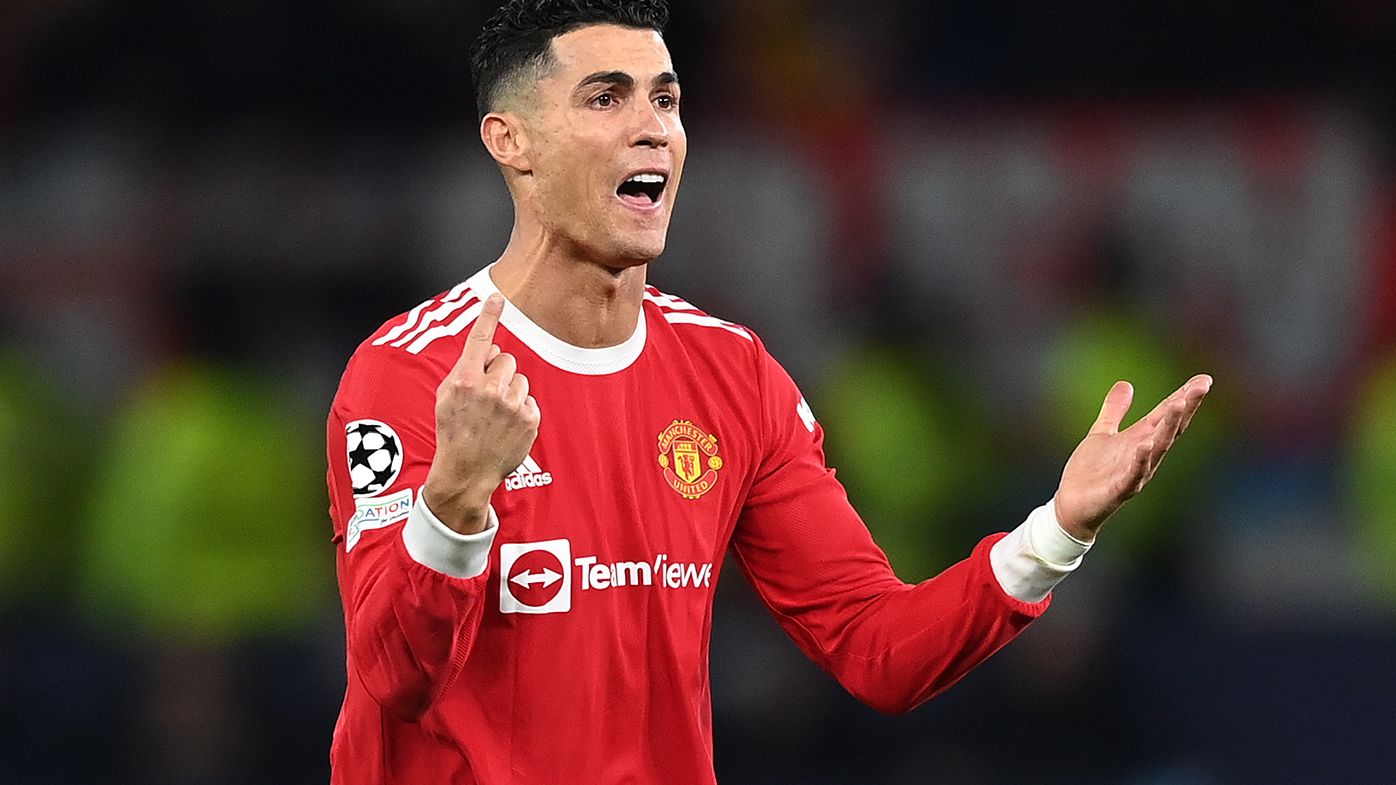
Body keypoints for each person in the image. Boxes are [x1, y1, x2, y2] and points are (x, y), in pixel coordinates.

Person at [324, 2, 1212, 782]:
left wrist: (1058, 528)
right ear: (510, 141)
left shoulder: (733, 375)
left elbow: (878, 649)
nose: (653, 129)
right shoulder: (410, 376)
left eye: (665, 99)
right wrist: (454, 499)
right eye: (606, 98)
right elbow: (398, 677)